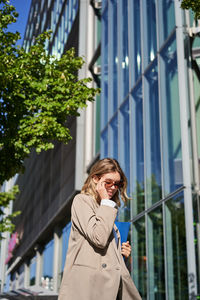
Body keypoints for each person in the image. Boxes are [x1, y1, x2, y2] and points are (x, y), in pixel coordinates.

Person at [58, 158, 142, 300]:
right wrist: (106, 203)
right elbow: (99, 238)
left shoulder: (106, 211)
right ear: (95, 178)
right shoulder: (82, 201)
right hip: (88, 289)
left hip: (108, 287)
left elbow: (104, 256)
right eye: (108, 182)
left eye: (117, 184)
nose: (113, 187)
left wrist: (122, 256)